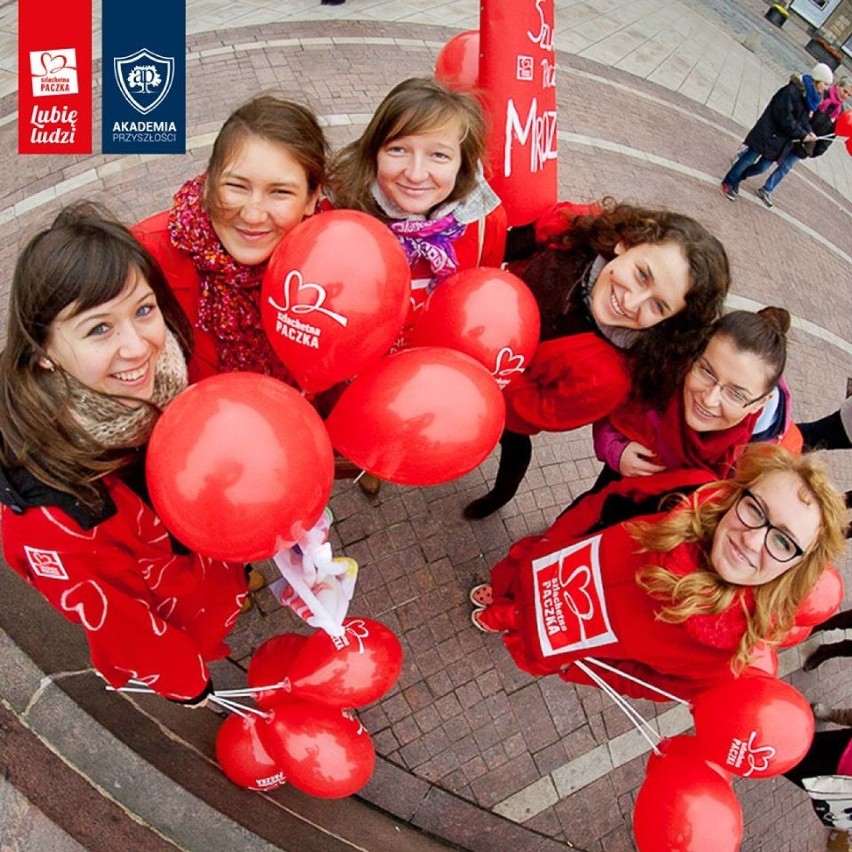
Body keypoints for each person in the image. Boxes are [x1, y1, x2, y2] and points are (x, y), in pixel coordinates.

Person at [0, 205, 248, 704]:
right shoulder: (53, 510)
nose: (138, 348)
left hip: (202, 566)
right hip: (173, 613)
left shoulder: (170, 366)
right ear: (43, 352)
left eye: (142, 310)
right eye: (98, 329)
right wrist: (188, 684)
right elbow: (123, 626)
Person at [468, 444, 846, 702]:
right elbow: (609, 500)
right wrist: (554, 541)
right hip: (551, 563)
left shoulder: (726, 657)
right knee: (513, 586)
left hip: (564, 639)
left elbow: (651, 684)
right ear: (736, 497)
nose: (751, 540)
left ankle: (499, 618)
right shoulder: (685, 493)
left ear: (797, 565)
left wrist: (576, 668)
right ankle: (501, 601)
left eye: (782, 542)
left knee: (520, 630)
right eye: (755, 510)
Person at [463, 200, 731, 519]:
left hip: (497, 388)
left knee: (513, 441)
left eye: (658, 306)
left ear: (669, 322)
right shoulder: (578, 228)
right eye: (642, 275)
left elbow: (534, 412)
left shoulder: (609, 378)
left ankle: (501, 494)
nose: (631, 302)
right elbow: (520, 236)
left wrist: (483, 367)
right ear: (624, 243)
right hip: (473, 322)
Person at [133, 94, 328, 385]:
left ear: (312, 198)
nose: (252, 215)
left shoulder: (330, 257)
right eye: (236, 186)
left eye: (280, 192)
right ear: (209, 179)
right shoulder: (145, 257)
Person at [326, 76, 508, 350]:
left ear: (463, 164)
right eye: (398, 150)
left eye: (439, 156)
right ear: (374, 151)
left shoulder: (484, 223)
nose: (415, 174)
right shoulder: (337, 214)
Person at [593, 307, 797, 483]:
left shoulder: (757, 450)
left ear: (759, 403)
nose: (709, 400)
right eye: (707, 372)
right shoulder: (662, 373)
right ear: (695, 355)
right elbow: (615, 407)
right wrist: (615, 450)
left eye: (735, 394)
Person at [721, 63, 834, 201]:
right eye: (825, 84)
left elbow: (803, 120)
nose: (826, 88)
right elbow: (785, 118)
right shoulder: (791, 91)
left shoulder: (810, 98)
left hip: (780, 140)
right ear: (817, 80)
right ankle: (729, 181)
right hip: (767, 132)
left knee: (762, 167)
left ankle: (738, 178)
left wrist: (809, 131)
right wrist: (802, 134)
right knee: (748, 159)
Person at [755, 76, 852, 208]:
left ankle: (767, 189)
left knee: (785, 167)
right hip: (796, 132)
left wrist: (819, 149)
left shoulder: (840, 112)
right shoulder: (822, 94)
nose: (845, 96)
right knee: (768, 158)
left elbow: (832, 134)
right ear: (838, 86)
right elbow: (804, 111)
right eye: (845, 91)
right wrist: (803, 131)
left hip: (808, 144)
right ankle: (746, 161)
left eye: (849, 95)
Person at [785, 707, 852, 849]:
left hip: (837, 785)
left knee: (786, 760)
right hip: (844, 753)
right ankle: (835, 714)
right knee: (791, 749)